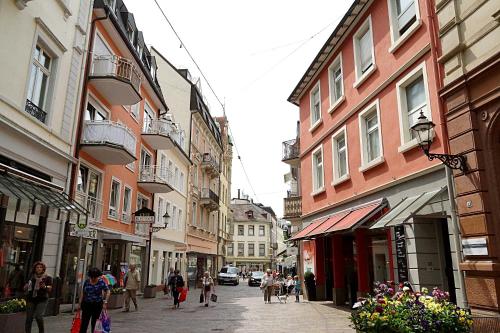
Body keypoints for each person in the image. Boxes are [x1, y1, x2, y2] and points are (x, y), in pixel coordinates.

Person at [78, 267, 110, 333]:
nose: (93, 279)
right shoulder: (87, 282)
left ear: (97, 276)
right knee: (84, 322)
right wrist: (79, 303)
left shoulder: (101, 282)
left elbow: (108, 291)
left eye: (94, 277)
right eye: (91, 277)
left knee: (95, 322)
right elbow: (83, 292)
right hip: (87, 304)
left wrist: (105, 302)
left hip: (97, 305)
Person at [24, 261, 52, 333]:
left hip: (42, 299)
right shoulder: (31, 276)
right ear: (35, 269)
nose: (39, 268)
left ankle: (41, 331)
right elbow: (25, 286)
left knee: (38, 316)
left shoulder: (47, 277)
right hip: (31, 298)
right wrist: (26, 287)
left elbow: (50, 288)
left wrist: (45, 286)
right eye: (37, 267)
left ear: (43, 269)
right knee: (29, 318)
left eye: (40, 267)